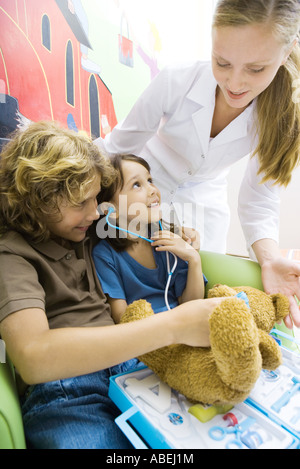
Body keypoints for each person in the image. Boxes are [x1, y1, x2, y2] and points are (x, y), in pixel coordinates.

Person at [0, 121, 222, 449]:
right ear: (39, 201)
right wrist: (173, 326)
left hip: (131, 371)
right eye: (81, 203)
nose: (96, 211)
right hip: (72, 389)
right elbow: (34, 356)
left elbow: (133, 218)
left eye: (96, 199)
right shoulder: (12, 256)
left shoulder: (87, 225)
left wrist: (184, 232)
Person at [94, 0, 300, 329]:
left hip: (205, 199)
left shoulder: (285, 115)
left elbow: (259, 200)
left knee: (199, 290)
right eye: (222, 62)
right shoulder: (178, 80)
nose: (234, 83)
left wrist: (270, 258)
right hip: (142, 181)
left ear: (288, 50)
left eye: (256, 69)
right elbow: (116, 148)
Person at [93, 154, 206, 323]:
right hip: (145, 336)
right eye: (137, 185)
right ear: (111, 210)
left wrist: (193, 258)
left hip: (185, 327)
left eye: (150, 180)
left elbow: (192, 304)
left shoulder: (170, 240)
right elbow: (121, 318)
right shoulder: (105, 255)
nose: (153, 190)